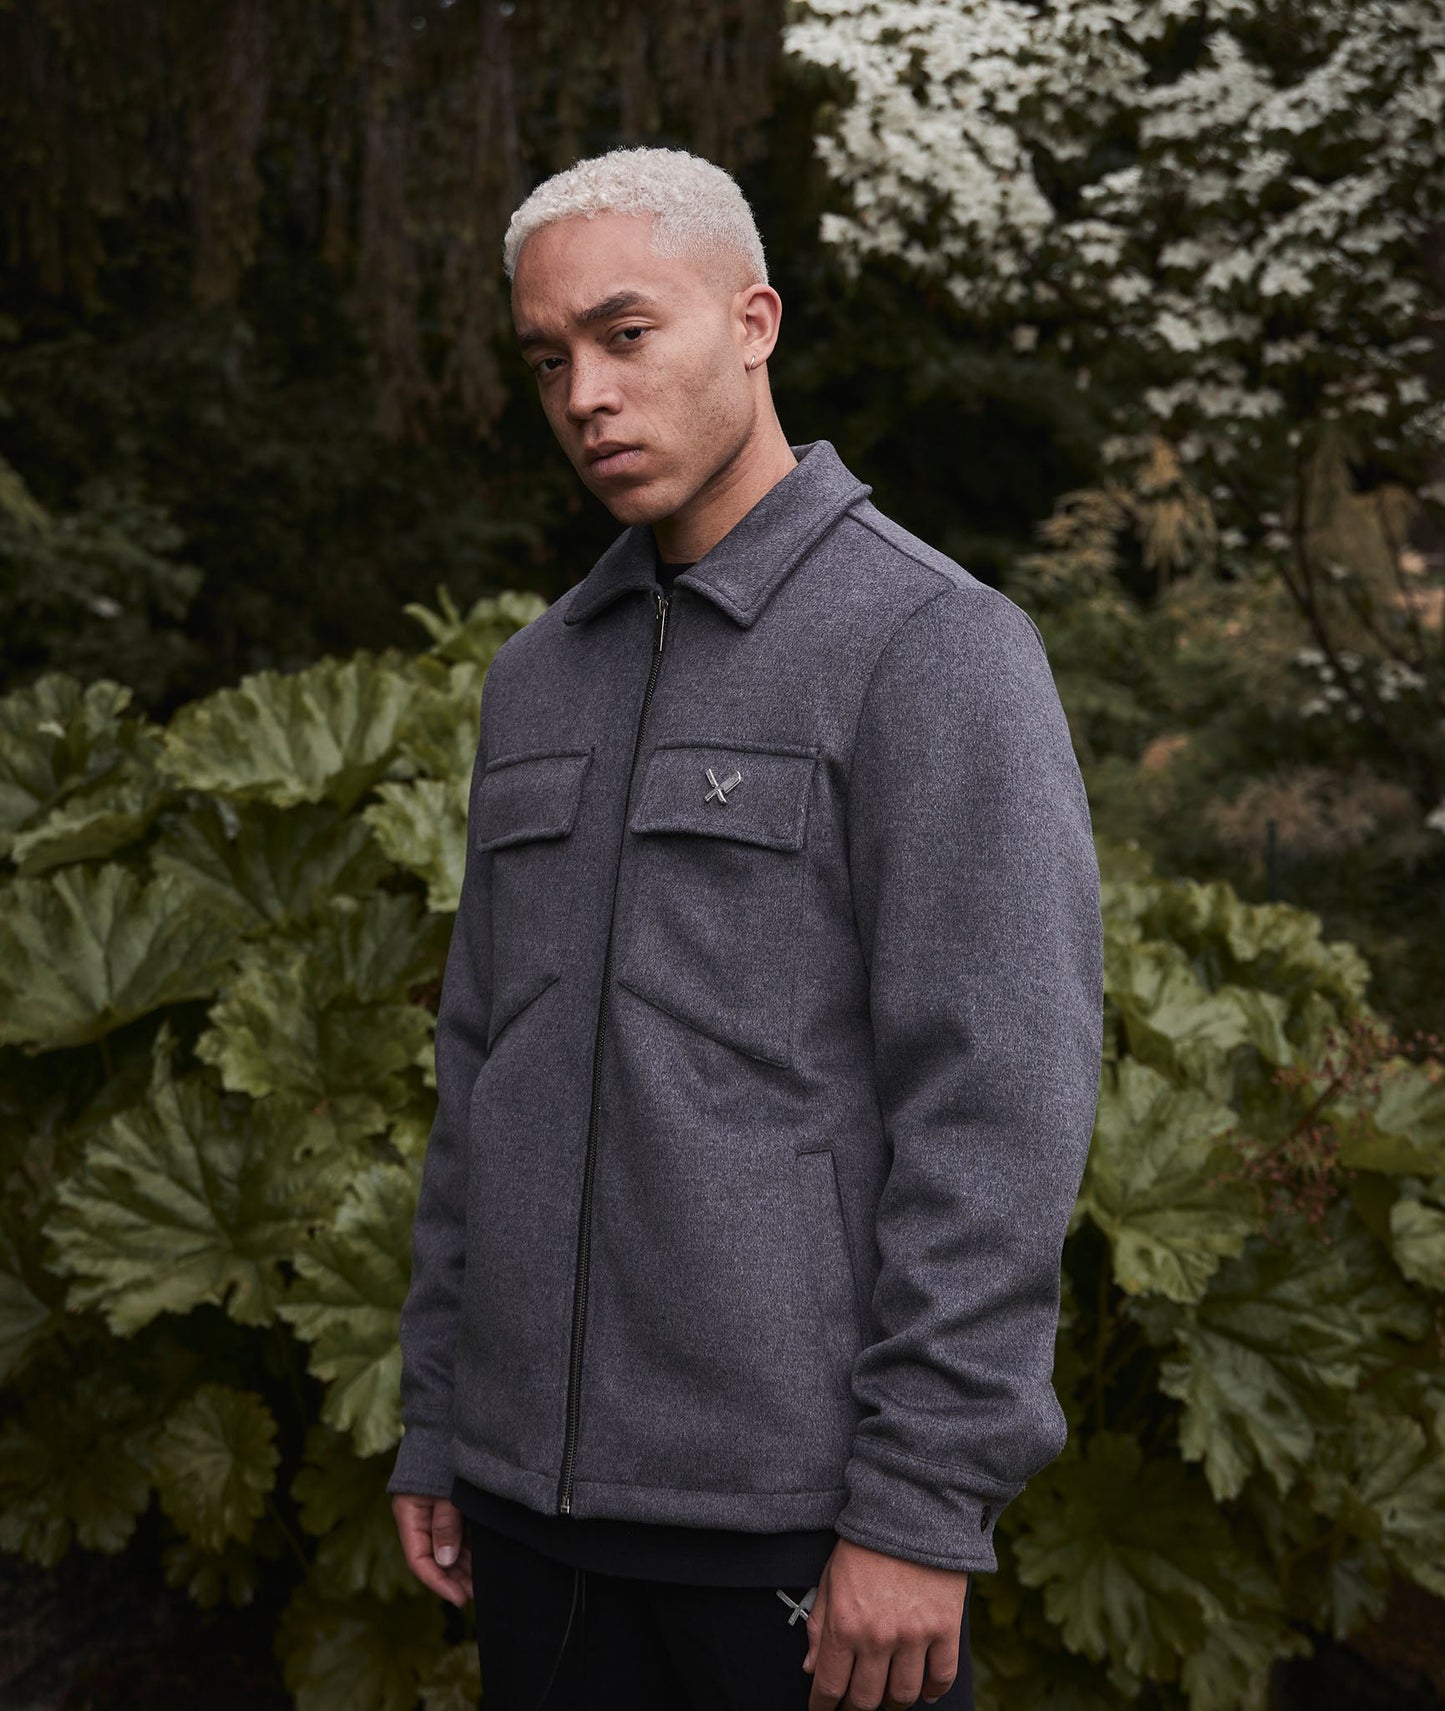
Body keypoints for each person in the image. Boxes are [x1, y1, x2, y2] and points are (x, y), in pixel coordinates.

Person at [388, 145, 1103, 1711]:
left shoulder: (932, 647)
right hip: (526, 1515)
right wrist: (440, 1419)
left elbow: (999, 1106)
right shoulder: (536, 678)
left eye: (625, 334)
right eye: (547, 358)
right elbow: (479, 1078)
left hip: (798, 1526)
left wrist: (920, 1504)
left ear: (752, 321)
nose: (585, 394)